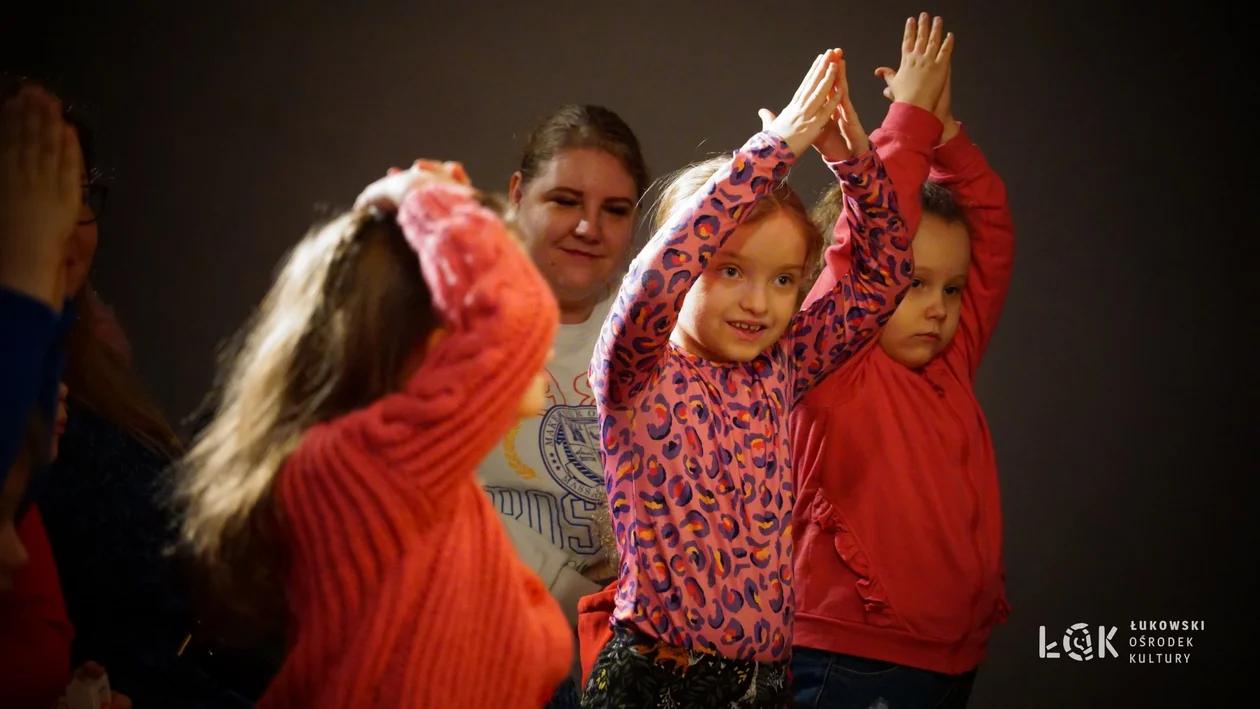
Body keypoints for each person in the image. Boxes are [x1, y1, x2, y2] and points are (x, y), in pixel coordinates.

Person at [174, 159, 573, 707]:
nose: (543, 343)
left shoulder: (433, 488)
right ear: (436, 347)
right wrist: (421, 196)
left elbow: (532, 649)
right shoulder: (358, 468)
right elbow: (516, 319)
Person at [583, 49, 911, 706]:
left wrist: (853, 162)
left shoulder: (777, 368)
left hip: (761, 680)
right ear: (691, 258)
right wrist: (774, 147)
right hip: (655, 675)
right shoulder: (636, 370)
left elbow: (885, 277)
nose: (760, 302)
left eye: (784, 278)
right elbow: (653, 282)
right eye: (730, 269)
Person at [788, 14, 1014, 708]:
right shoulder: (835, 359)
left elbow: (993, 236)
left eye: (949, 289)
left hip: (948, 659)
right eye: (915, 284)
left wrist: (946, 138)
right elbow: (869, 242)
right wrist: (908, 123)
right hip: (845, 657)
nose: (940, 306)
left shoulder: (948, 361)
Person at [479, 104, 648, 706]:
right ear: (519, 194)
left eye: (615, 210)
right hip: (466, 641)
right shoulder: (450, 321)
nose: (588, 228)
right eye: (566, 200)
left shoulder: (652, 341)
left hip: (587, 669)